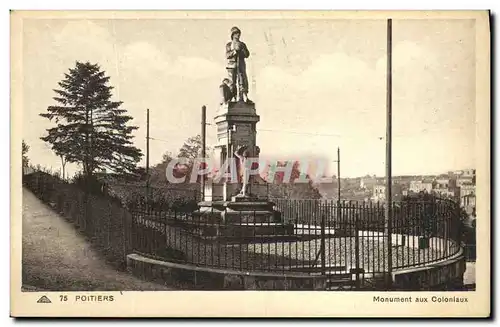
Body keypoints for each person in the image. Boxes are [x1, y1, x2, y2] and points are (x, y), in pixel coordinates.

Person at [226, 26, 251, 103]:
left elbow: (247, 54)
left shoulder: (242, 44)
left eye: (239, 33)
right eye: (236, 33)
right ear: (233, 35)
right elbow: (227, 55)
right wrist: (234, 51)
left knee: (242, 81)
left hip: (241, 65)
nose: (238, 35)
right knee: (232, 82)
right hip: (232, 66)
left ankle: (244, 96)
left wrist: (241, 50)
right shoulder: (229, 45)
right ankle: (232, 97)